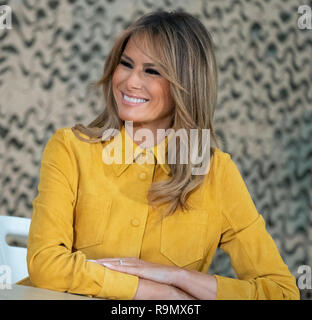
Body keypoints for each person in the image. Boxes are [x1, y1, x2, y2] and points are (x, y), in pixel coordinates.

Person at [17, 10, 300, 300]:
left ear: (186, 85)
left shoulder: (217, 174)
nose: (130, 82)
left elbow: (281, 293)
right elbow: (46, 266)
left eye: (152, 71)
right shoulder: (70, 148)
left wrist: (178, 278)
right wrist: (158, 293)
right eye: (125, 64)